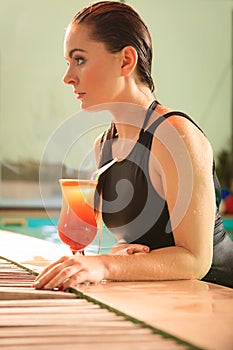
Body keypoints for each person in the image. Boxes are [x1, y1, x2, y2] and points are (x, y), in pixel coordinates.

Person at [33, 0, 233, 290]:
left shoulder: (176, 136)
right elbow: (143, 249)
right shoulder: (104, 145)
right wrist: (120, 256)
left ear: (126, 61)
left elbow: (195, 260)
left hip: (219, 297)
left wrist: (104, 264)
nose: (68, 77)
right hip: (166, 300)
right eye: (68, 62)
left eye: (79, 60)